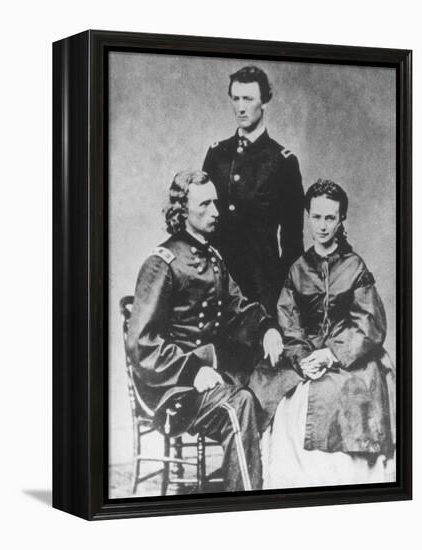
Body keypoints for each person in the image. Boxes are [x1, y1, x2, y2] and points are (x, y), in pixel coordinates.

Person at [126, 170, 284, 492]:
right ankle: (248, 503)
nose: (216, 211)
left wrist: (267, 327)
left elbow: (238, 308)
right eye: (206, 204)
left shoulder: (213, 258)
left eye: (216, 202)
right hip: (171, 387)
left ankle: (247, 482)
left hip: (207, 375)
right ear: (183, 211)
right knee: (238, 406)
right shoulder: (162, 263)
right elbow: (142, 343)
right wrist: (191, 371)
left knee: (273, 384)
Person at [249, 179, 396, 488]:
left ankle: (340, 485)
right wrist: (303, 358)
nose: (323, 226)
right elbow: (288, 321)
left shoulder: (355, 267)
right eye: (316, 217)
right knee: (284, 396)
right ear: (308, 216)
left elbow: (370, 323)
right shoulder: (297, 269)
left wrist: (331, 354)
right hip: (304, 356)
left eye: (330, 217)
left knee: (342, 393)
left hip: (350, 355)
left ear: (341, 218)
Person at [203, 65, 304, 314]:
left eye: (248, 99)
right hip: (216, 284)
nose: (240, 107)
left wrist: (277, 300)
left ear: (264, 103)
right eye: (235, 99)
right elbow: (201, 219)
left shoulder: (283, 162)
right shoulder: (217, 155)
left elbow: (292, 243)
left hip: (261, 288)